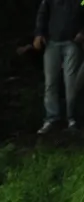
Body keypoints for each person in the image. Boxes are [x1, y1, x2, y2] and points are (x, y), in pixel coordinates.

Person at [34, 0, 84, 133]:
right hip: (52, 42)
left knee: (71, 82)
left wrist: (82, 32)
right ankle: (51, 118)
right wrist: (39, 33)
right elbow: (42, 14)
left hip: (72, 43)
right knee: (50, 82)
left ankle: (72, 118)